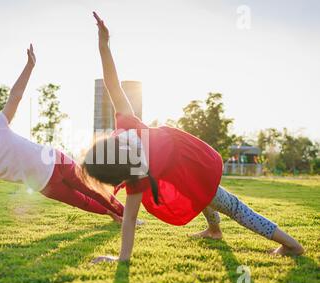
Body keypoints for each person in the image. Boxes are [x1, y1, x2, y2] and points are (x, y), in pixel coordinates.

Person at [83, 12, 304, 263]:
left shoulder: (136, 174)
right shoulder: (127, 126)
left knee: (233, 207)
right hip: (194, 162)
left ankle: (292, 245)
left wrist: (120, 260)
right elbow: (114, 84)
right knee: (205, 196)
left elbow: (130, 220)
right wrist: (104, 44)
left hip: (191, 175)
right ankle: (214, 230)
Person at [0, 44, 124, 231]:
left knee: (92, 189)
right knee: (83, 203)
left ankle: (126, 215)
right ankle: (112, 213)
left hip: (57, 161)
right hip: (46, 186)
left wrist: (29, 65)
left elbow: (15, 96)